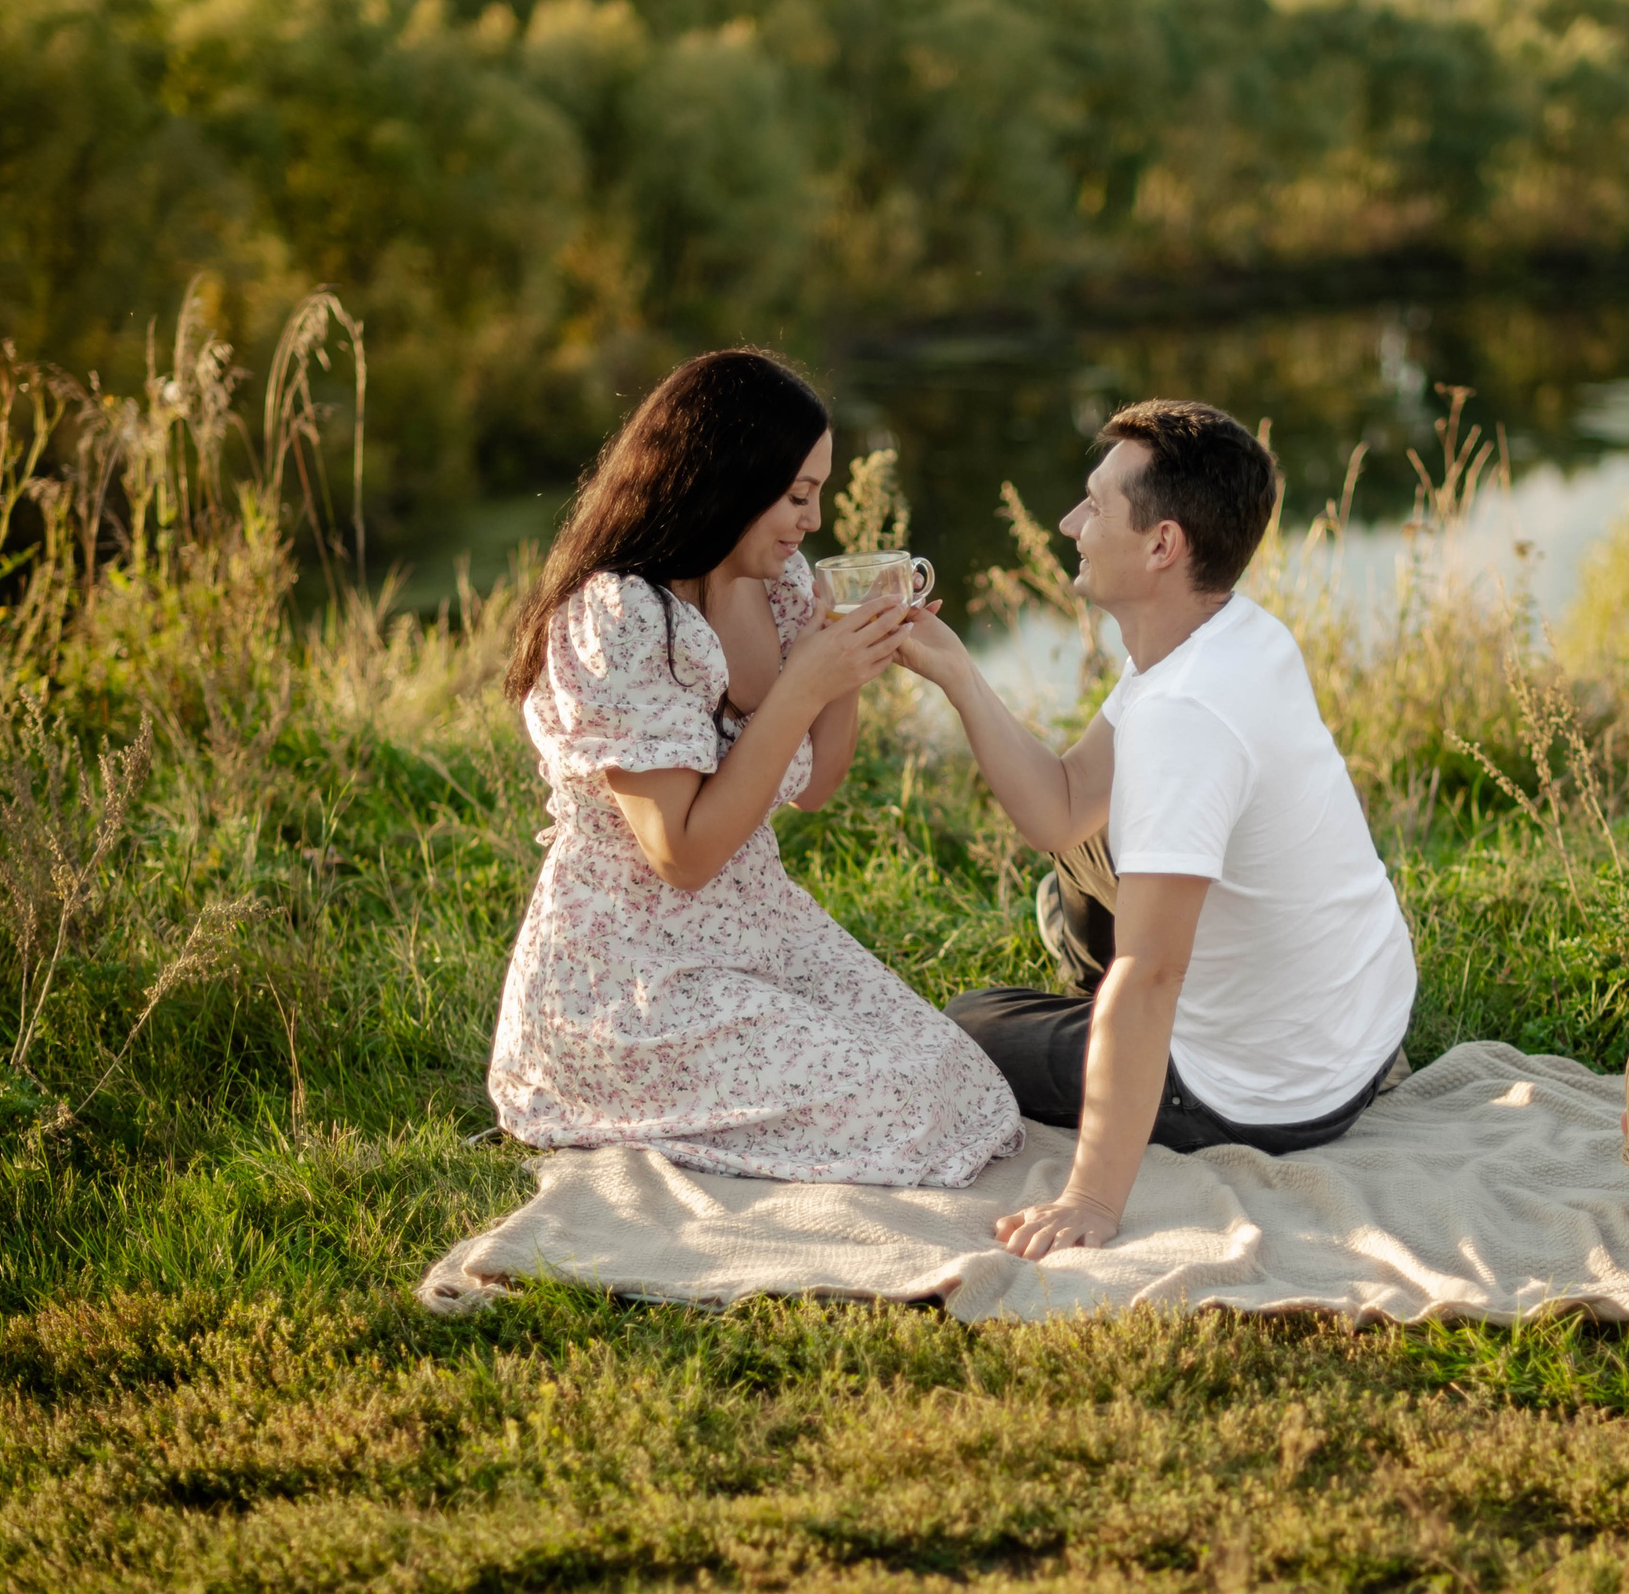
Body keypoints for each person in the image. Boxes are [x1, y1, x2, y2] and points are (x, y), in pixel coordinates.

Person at [488, 348, 1023, 1186]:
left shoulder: (774, 586)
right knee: (901, 1104)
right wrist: (803, 683)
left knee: (962, 1083)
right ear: (725, 476)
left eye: (818, 494)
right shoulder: (621, 614)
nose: (811, 521)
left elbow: (813, 786)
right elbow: (684, 853)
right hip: (632, 979)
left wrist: (843, 664)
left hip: (757, 929)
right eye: (799, 494)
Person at [895, 400, 1416, 1257]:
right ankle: (1104, 1008)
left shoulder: (1184, 715)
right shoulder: (1225, 634)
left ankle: (1124, 1053)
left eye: (1095, 505)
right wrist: (956, 670)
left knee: (969, 1021)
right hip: (1363, 1026)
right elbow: (1063, 805)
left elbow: (1150, 973)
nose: (1069, 522)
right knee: (1090, 848)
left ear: (1162, 545)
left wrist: (1093, 1197)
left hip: (1268, 1094)